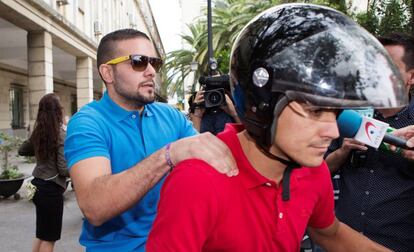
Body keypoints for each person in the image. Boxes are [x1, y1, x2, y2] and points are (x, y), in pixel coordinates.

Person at [146, 4, 407, 251]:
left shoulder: (313, 171)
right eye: (315, 111)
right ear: (263, 105)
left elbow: (330, 233)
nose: (333, 132)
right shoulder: (198, 180)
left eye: (335, 113)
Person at [63, 28, 237, 251]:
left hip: (175, 243)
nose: (150, 71)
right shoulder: (88, 122)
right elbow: (95, 206)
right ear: (107, 73)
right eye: (138, 62)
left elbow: (211, 162)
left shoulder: (170, 115)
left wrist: (237, 115)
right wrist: (168, 155)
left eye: (154, 63)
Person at [325, 33, 414, 251]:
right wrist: (342, 152)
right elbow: (316, 172)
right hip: (341, 241)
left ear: (411, 77)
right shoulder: (347, 117)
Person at [18, 93, 69, 252]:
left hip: (36, 186)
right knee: (49, 238)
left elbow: (22, 150)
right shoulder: (61, 134)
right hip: (51, 190)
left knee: (41, 234)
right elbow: (63, 168)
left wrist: (41, 150)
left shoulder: (38, 132)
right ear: (58, 111)